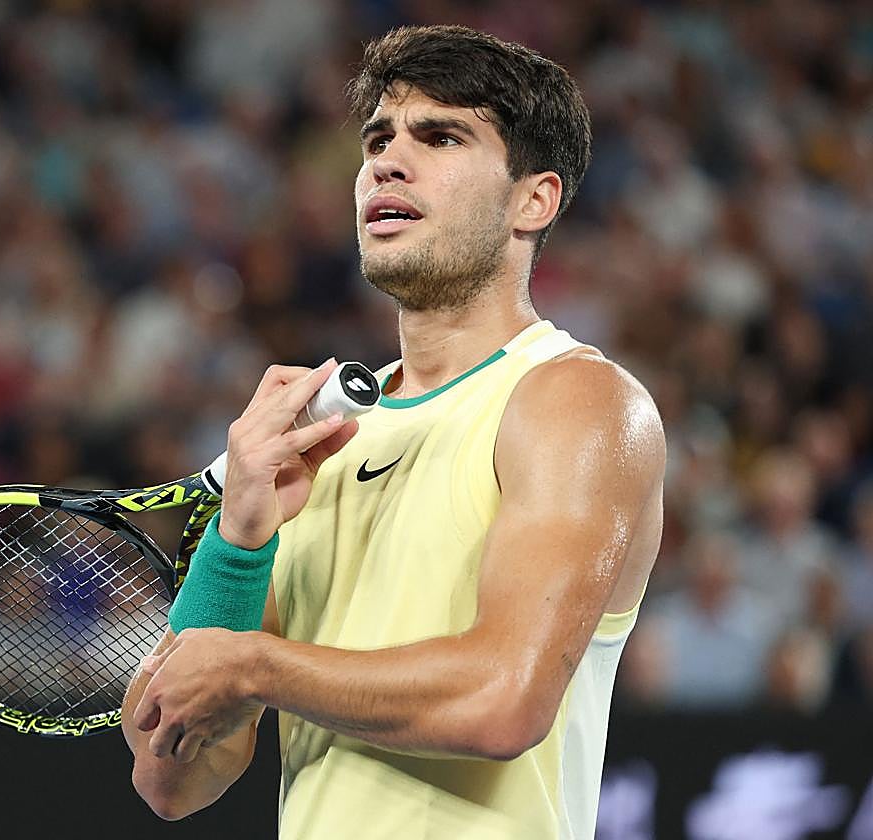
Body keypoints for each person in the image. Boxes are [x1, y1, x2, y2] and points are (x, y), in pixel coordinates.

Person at [121, 25, 665, 840]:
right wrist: (237, 541)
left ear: (533, 199)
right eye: (379, 138)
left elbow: (502, 700)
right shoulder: (321, 440)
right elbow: (173, 776)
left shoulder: (574, 401)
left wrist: (257, 666)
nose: (386, 161)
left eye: (441, 136)